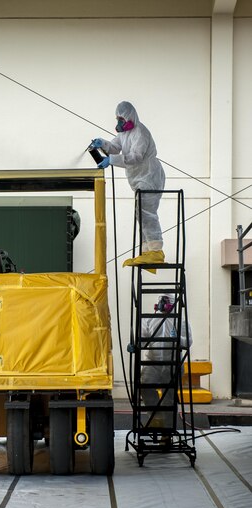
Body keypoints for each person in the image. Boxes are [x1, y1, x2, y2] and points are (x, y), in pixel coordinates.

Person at [91, 101, 166, 268]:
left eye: (121, 119)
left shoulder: (141, 132)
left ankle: (156, 251)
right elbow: (114, 148)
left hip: (150, 176)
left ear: (130, 117)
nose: (119, 123)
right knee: (142, 213)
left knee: (147, 213)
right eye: (117, 119)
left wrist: (111, 160)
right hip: (140, 179)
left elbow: (136, 157)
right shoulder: (124, 134)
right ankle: (147, 252)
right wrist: (102, 143)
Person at [140, 294, 193, 433]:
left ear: (173, 304)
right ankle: (156, 418)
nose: (163, 303)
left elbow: (188, 341)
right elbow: (143, 339)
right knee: (144, 385)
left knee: (169, 398)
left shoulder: (180, 321)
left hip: (172, 364)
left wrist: (177, 339)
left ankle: (167, 432)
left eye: (166, 300)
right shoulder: (150, 320)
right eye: (161, 300)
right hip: (153, 362)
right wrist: (137, 343)